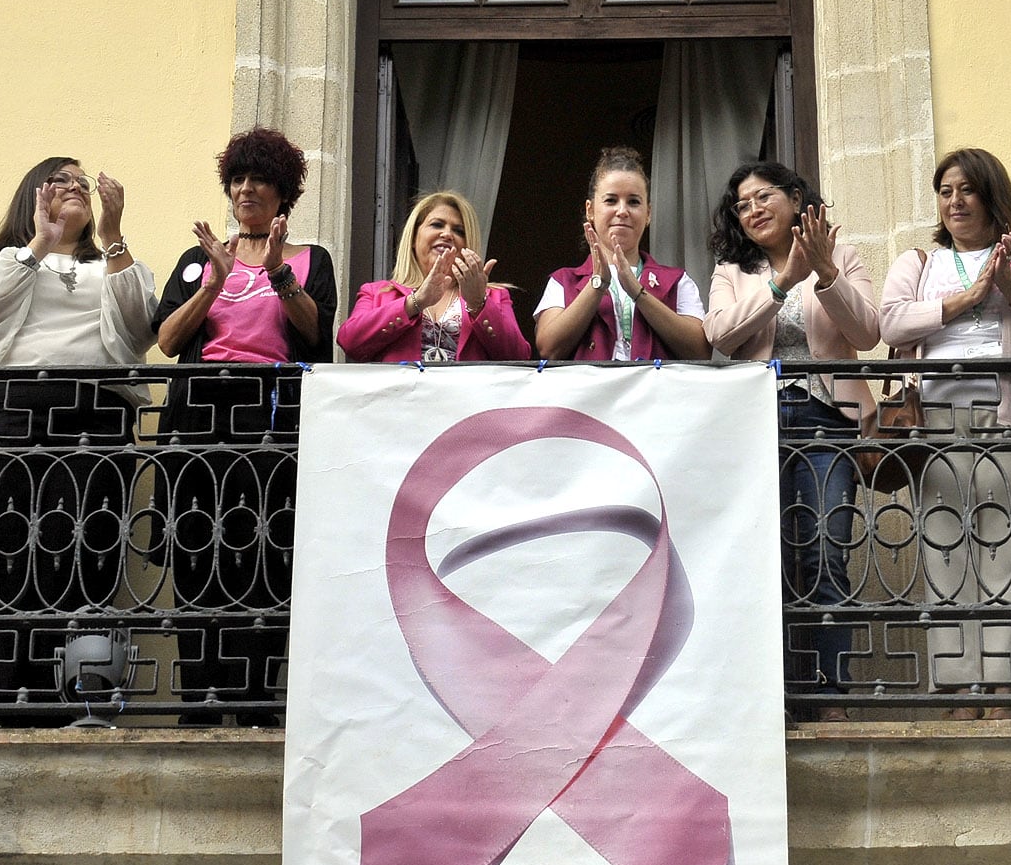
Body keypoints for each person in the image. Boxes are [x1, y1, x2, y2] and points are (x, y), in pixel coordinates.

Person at [0, 158, 157, 725]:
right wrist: (38, 244)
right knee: (1, 553)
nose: (75, 188)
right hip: (7, 416)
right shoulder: (0, 259)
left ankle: (68, 703)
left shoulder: (110, 259)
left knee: (83, 554)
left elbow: (142, 327)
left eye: (80, 182)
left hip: (94, 415)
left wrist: (114, 238)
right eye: (59, 178)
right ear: (31, 194)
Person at [880, 148, 1011, 719]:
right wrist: (962, 301)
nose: (955, 201)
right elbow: (888, 321)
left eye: (966, 190)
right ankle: (958, 684)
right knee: (945, 545)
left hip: (1008, 411)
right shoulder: (919, 261)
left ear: (991, 196)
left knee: (1007, 543)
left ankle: (1001, 682)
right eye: (945, 191)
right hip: (934, 416)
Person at [152, 127, 336, 725]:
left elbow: (316, 337)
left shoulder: (313, 260)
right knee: (197, 553)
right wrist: (214, 280)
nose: (246, 188)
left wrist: (278, 271)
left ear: (283, 193)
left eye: (259, 179)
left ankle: (257, 700)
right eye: (237, 179)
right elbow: (169, 339)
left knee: (266, 554)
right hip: (198, 418)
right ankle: (200, 702)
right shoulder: (198, 260)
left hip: (272, 421)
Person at [704, 163, 880, 722]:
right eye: (742, 204)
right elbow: (721, 336)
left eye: (763, 196)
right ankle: (772, 699)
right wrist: (781, 284)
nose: (752, 209)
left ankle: (829, 697)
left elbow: (868, 333)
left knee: (825, 550)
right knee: (766, 561)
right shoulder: (734, 269)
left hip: (828, 417)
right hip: (756, 419)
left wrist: (825, 273)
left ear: (796, 198)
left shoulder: (840, 253)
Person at [534, 146, 710, 362]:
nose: (622, 211)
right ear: (590, 210)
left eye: (634, 202)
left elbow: (700, 350)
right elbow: (548, 349)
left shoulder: (677, 280)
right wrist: (597, 283)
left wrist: (638, 292)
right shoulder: (563, 281)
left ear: (648, 214)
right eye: (611, 200)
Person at [336, 190, 529, 363]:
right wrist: (416, 302)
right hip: (399, 400)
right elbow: (349, 342)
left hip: (469, 402)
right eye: (437, 225)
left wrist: (478, 303)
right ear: (413, 238)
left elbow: (519, 358)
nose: (447, 234)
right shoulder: (378, 292)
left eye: (458, 231)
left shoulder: (494, 296)